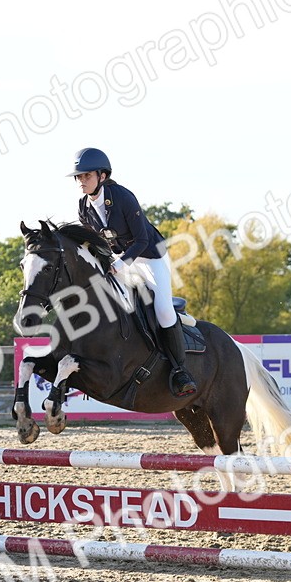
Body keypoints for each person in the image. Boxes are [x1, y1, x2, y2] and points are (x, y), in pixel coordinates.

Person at [68, 147, 197, 397]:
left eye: (86, 176)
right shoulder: (83, 206)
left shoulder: (123, 197)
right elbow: (95, 243)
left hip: (150, 257)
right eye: (79, 177)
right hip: (120, 258)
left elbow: (140, 240)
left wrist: (121, 263)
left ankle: (180, 371)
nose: (81, 181)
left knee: (162, 309)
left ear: (102, 176)